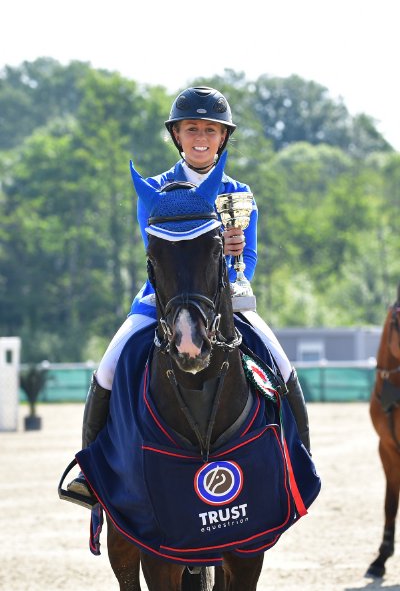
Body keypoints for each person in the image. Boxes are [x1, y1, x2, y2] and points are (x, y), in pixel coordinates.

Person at [67, 86, 310, 498]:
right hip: (161, 298)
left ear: (223, 137)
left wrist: (232, 259)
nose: (201, 137)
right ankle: (91, 474)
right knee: (108, 368)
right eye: (192, 128)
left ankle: (298, 460)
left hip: (226, 299)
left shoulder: (240, 193)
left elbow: (249, 255)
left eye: (211, 130)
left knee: (283, 367)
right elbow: (156, 253)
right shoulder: (154, 189)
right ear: (176, 135)